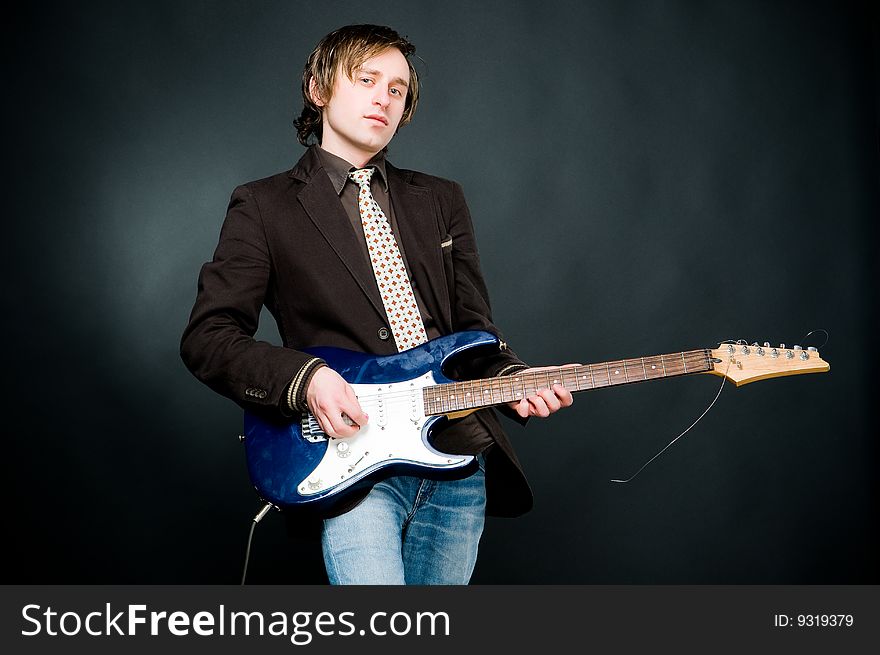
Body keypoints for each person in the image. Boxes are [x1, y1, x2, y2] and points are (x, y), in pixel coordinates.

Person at [180, 24, 574, 585]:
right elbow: (209, 337)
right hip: (354, 462)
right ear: (318, 88)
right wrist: (308, 379)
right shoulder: (264, 206)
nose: (383, 98)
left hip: (457, 459)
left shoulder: (441, 199)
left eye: (397, 89)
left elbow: (472, 329)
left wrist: (513, 379)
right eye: (367, 79)